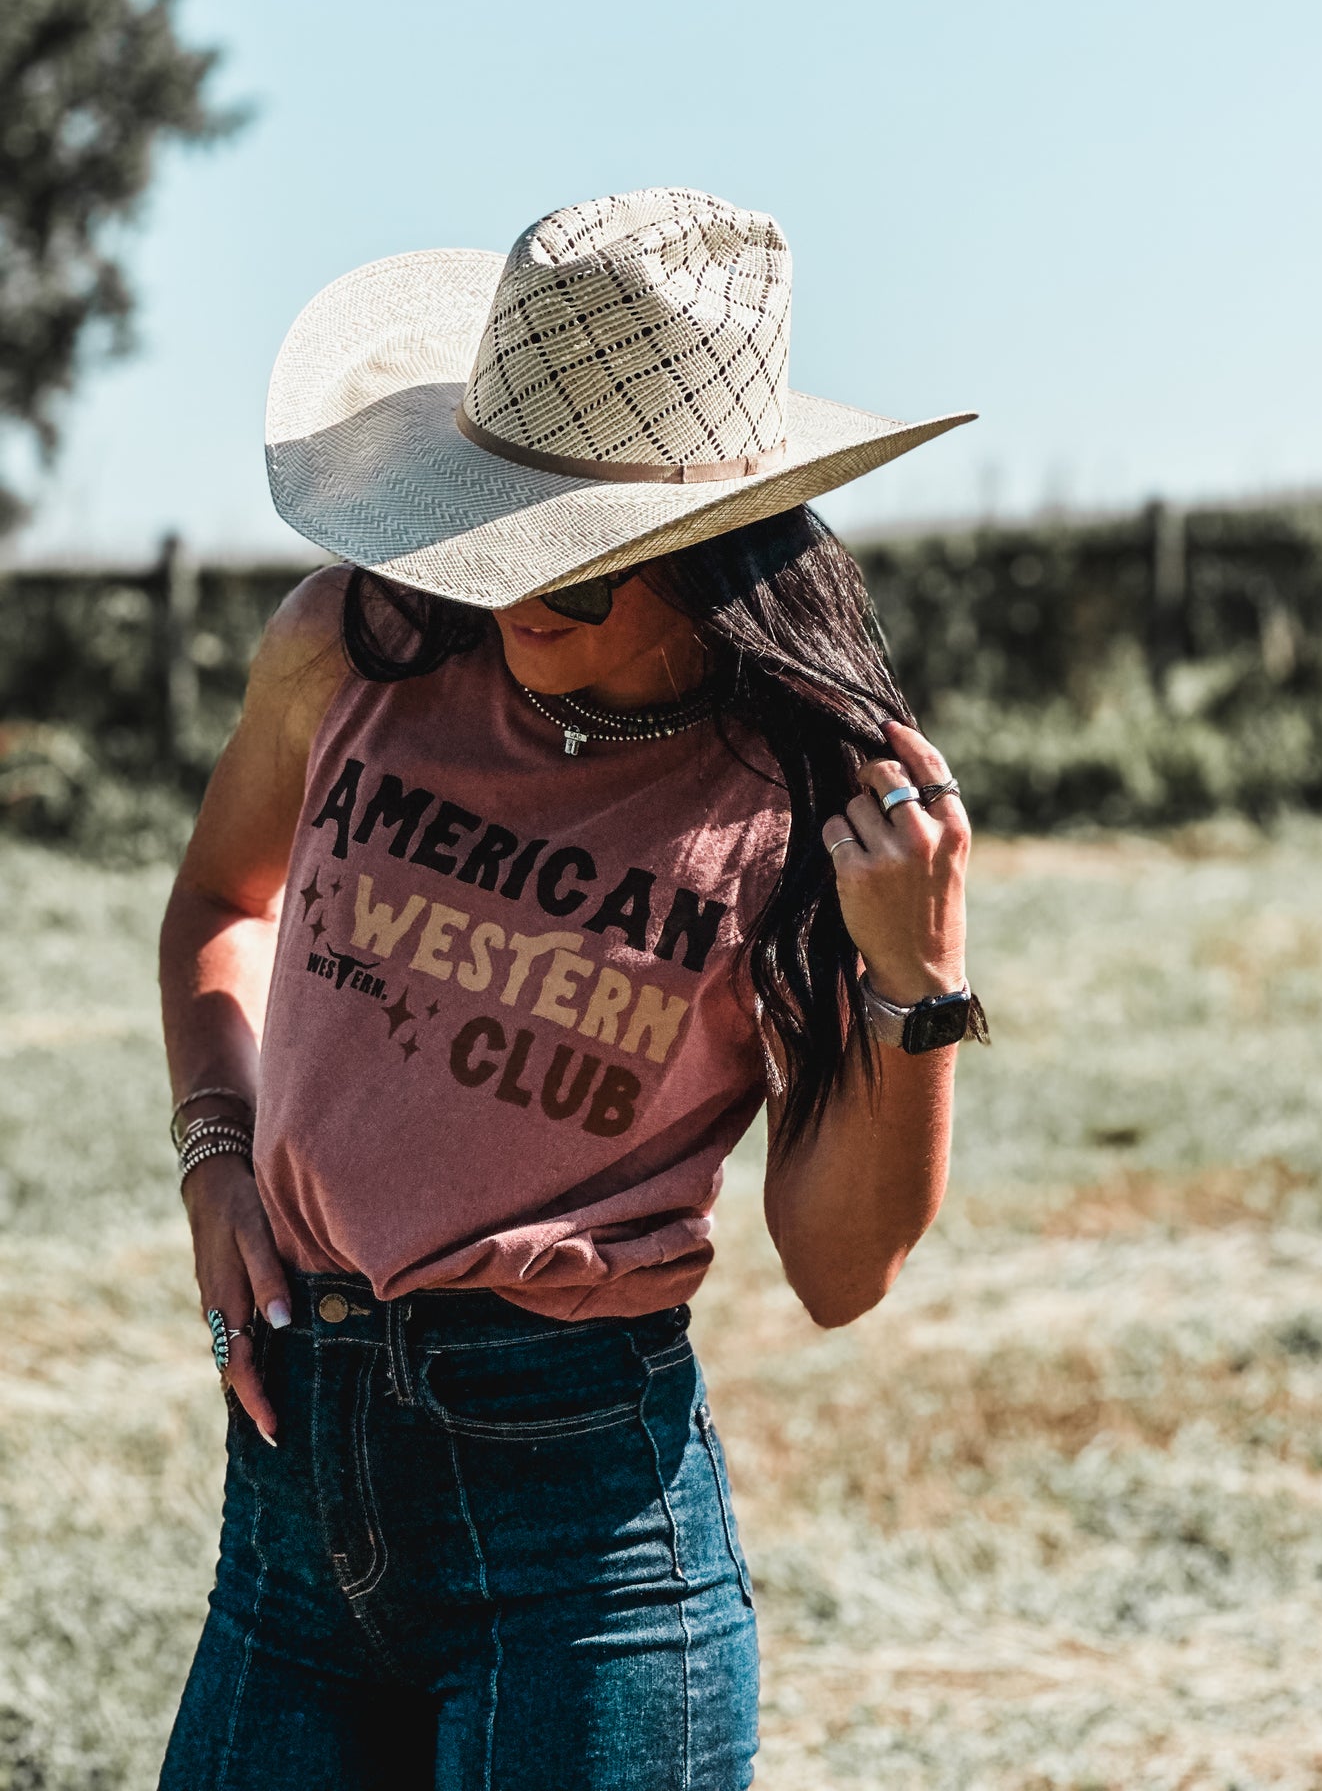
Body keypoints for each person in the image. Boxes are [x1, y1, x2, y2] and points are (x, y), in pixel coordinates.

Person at [158, 188, 984, 1790]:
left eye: (589, 564)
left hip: (582, 1538)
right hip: (291, 1501)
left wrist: (919, 986)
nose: (521, 590)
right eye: (493, 526)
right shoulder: (355, 646)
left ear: (720, 552)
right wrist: (214, 1150)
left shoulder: (815, 801)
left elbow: (839, 1268)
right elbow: (217, 899)